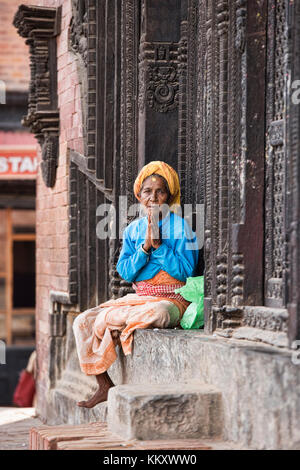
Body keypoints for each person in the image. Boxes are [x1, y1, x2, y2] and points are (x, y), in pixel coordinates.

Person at [73, 161, 199, 408]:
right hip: (139, 299)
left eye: (160, 191)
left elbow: (186, 272)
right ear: (139, 196)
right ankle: (104, 384)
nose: (153, 197)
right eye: (147, 191)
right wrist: (144, 248)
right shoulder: (133, 230)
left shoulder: (181, 227)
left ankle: (124, 323)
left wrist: (160, 247)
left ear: (169, 195)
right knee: (83, 321)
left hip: (172, 299)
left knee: (158, 313)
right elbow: (125, 272)